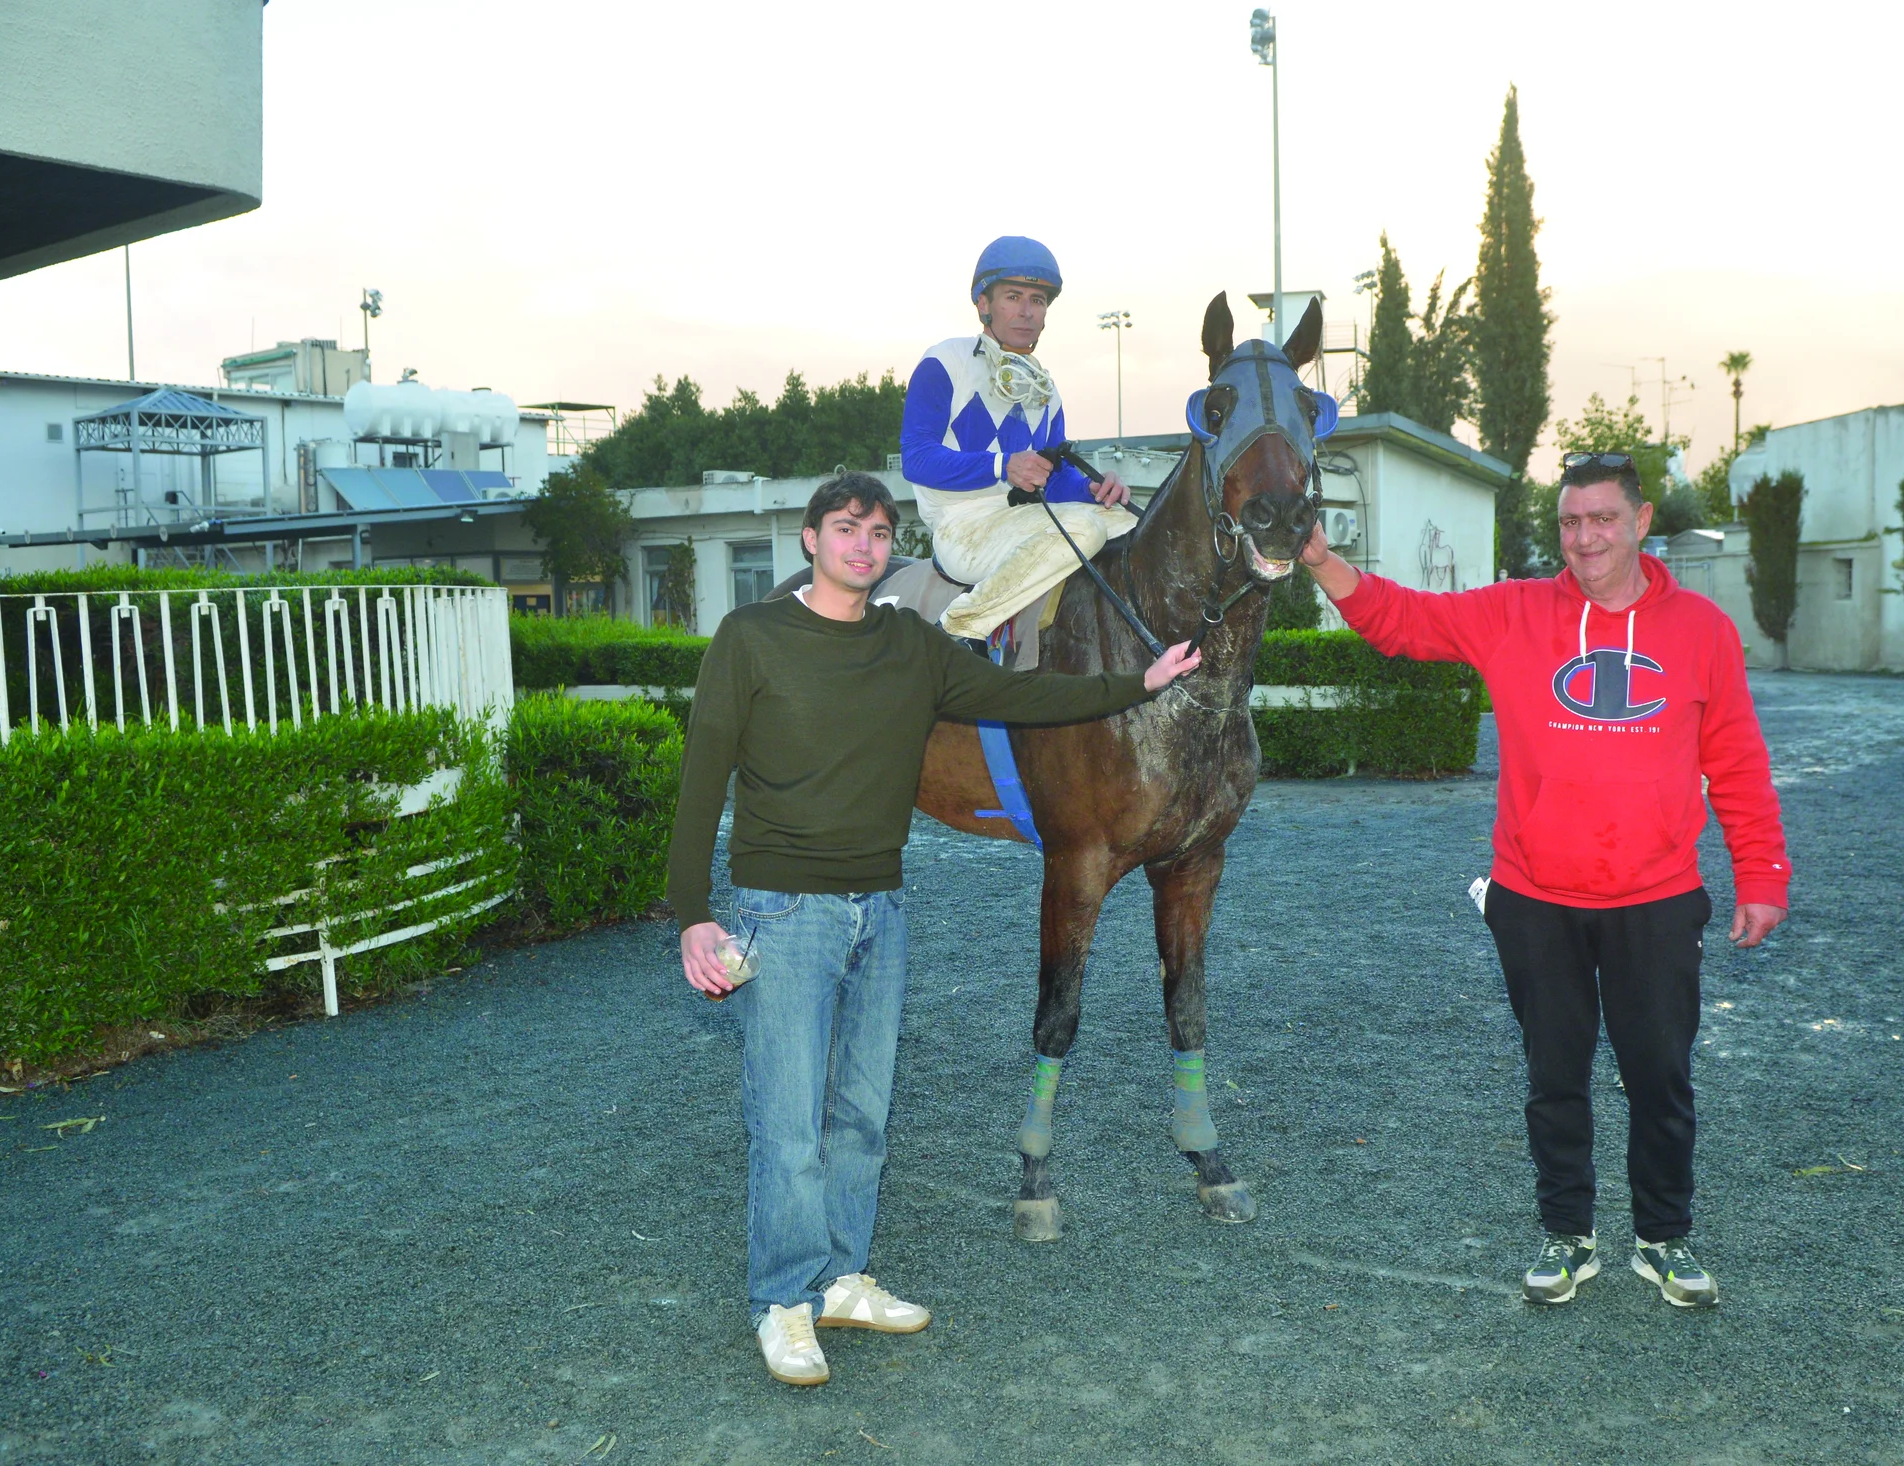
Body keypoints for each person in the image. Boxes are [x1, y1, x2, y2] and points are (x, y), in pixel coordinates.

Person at [666, 473, 1202, 1385]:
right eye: (846, 529)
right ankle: (783, 1302)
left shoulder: (911, 644)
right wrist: (691, 915)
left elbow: (1022, 698)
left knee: (862, 1116)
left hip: (880, 909)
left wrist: (1138, 684)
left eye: (879, 532)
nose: (864, 546)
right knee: (787, 1124)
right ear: (810, 539)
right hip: (782, 910)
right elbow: (702, 774)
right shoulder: (751, 636)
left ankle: (841, 1279)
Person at [1297, 451, 1790, 1309]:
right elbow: (1401, 621)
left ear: (1640, 522)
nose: (1584, 537)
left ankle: (1663, 1239)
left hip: (1656, 898)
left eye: (1602, 518)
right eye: (1569, 521)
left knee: (1660, 1079)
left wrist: (1762, 874)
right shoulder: (1513, 613)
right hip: (1534, 897)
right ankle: (1567, 1235)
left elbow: (1738, 762)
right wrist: (1319, 560)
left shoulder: (1703, 630)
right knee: (1553, 1078)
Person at [899, 235, 1139, 643]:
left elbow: (1052, 479)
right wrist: (1001, 465)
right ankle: (960, 625)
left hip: (1026, 519)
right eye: (1013, 297)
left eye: (1038, 300)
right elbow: (917, 458)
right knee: (1085, 530)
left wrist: (1092, 488)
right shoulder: (945, 361)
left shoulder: (1047, 390)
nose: (1027, 311)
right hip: (964, 527)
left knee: (1134, 522)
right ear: (983, 304)